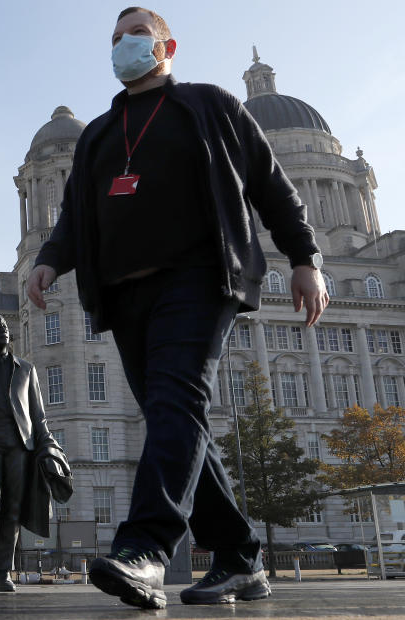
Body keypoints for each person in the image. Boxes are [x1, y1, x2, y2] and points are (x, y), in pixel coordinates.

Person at [26, 6, 328, 610]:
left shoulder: (208, 104)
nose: (123, 46)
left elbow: (270, 182)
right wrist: (51, 258)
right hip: (123, 293)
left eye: (136, 34)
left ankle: (145, 549)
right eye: (115, 39)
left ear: (166, 46)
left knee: (174, 402)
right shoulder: (99, 134)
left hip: (199, 278)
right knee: (179, 419)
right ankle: (240, 559)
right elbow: (74, 215)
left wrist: (305, 257)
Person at [0, 313, 63, 592]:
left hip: (21, 446)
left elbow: (38, 415)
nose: (3, 330)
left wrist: (49, 446)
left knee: (12, 510)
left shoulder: (26, 369)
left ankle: (3, 572)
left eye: (4, 327)